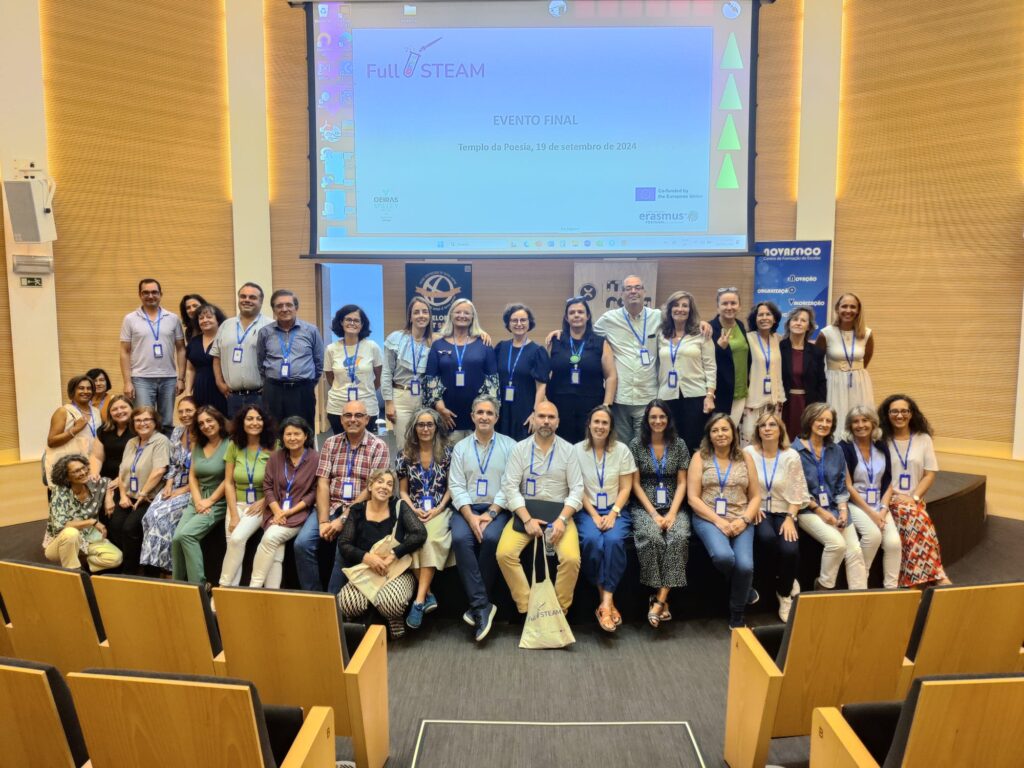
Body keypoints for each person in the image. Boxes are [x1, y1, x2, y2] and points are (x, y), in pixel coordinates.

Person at [496, 401, 584, 616]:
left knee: (571, 559)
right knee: (504, 554)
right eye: (542, 416)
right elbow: (510, 487)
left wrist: (562, 520)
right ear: (533, 419)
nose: (546, 421)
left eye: (551, 417)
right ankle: (530, 609)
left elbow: (577, 490)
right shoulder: (519, 449)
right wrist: (527, 520)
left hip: (560, 516)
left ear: (558, 422)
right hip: (526, 514)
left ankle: (558, 611)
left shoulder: (569, 450)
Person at [298, 398, 390, 593]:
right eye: (348, 415)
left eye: (358, 415)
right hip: (330, 505)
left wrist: (343, 519)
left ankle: (333, 603)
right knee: (302, 543)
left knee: (343, 547)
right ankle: (313, 595)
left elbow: (372, 488)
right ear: (341, 420)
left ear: (367, 419)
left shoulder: (378, 446)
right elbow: (323, 482)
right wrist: (324, 521)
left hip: (359, 510)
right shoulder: (330, 443)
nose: (353, 419)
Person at [448, 395, 516, 641]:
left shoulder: (510, 446)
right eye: (480, 412)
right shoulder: (461, 447)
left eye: (489, 413)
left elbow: (510, 484)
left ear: (496, 417)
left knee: (491, 539)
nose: (484, 417)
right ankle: (482, 605)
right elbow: (456, 485)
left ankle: (477, 606)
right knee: (459, 539)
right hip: (466, 508)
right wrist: (470, 516)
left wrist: (491, 513)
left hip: (497, 508)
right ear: (472, 416)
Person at [687, 414, 761, 629]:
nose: (720, 434)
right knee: (724, 557)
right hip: (708, 519)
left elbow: (756, 496)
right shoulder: (700, 457)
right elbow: (693, 498)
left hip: (741, 518)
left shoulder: (745, 457)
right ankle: (745, 588)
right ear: (709, 435)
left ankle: (737, 614)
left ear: (733, 433)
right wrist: (718, 521)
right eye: (715, 430)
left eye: (725, 429)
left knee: (745, 566)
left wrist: (744, 519)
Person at [337, 468, 427, 639]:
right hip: (367, 569)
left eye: (389, 484)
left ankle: (394, 619)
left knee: (391, 602)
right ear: (370, 486)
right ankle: (358, 627)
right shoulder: (356, 510)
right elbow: (344, 543)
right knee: (346, 602)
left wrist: (394, 554)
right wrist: (368, 558)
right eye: (380, 482)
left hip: (396, 571)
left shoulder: (399, 506)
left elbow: (420, 533)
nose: (384, 486)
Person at [792, 402, 868, 591]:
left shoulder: (836, 450)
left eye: (828, 421)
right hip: (807, 509)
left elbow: (841, 483)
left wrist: (843, 510)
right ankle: (823, 587)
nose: (824, 424)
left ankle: (860, 597)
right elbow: (796, 490)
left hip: (835, 507)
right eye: (820, 419)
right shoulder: (794, 451)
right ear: (809, 420)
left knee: (855, 551)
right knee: (837, 544)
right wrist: (820, 511)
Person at [630, 399, 691, 629]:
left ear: (668, 419)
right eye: (653, 417)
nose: (657, 421)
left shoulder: (679, 444)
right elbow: (635, 484)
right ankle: (659, 596)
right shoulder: (636, 444)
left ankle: (659, 599)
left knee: (679, 537)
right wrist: (654, 514)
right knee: (652, 537)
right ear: (646, 420)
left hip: (674, 505)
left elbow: (682, 482)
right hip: (645, 506)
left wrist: (672, 513)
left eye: (662, 417)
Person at [575, 405, 636, 633]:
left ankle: (606, 602)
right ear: (589, 424)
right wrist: (593, 514)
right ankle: (607, 603)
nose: (600, 426)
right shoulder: (576, 451)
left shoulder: (622, 450)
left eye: (605, 423)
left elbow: (626, 487)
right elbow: (577, 488)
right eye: (596, 422)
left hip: (615, 510)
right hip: (587, 510)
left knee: (613, 541)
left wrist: (613, 513)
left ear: (611, 427)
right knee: (592, 541)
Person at [879, 393, 950, 587]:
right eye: (894, 411)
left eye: (904, 411)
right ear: (887, 414)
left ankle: (914, 580)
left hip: (914, 500)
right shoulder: (881, 440)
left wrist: (915, 497)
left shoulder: (923, 439)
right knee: (916, 519)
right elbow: (877, 474)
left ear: (911, 414)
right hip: (889, 497)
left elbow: (929, 474)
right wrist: (897, 496)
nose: (899, 415)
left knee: (916, 519)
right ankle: (937, 576)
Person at [744, 411, 808, 622]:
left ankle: (784, 591)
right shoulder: (748, 453)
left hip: (784, 510)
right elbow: (742, 483)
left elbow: (798, 491)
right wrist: (752, 504)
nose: (767, 428)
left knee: (790, 549)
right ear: (758, 430)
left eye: (772, 425)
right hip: (759, 508)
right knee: (766, 538)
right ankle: (784, 581)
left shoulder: (791, 456)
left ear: (780, 430)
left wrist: (790, 517)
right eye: (763, 425)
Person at [397, 407, 453, 629]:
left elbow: (451, 489)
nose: (425, 429)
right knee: (407, 540)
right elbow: (403, 491)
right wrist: (413, 509)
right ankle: (428, 594)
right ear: (414, 428)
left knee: (428, 541)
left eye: (430, 424)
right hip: (413, 509)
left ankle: (419, 601)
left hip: (440, 508)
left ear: (436, 427)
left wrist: (438, 509)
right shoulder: (404, 455)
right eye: (421, 424)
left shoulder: (447, 453)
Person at [592, 275, 661, 443]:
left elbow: (682, 325)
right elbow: (586, 335)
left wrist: (702, 324)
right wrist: (562, 332)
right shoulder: (609, 319)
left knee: (645, 446)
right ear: (622, 293)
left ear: (644, 292)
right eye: (628, 288)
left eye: (637, 287)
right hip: (620, 397)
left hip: (648, 395)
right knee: (621, 446)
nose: (633, 291)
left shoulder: (658, 317)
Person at [254, 416, 319, 589]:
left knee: (270, 538)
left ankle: (254, 586)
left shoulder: (315, 459)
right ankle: (272, 592)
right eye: (288, 434)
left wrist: (288, 512)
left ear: (306, 436)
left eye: (297, 434)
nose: (292, 438)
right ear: (282, 437)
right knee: (276, 550)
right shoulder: (276, 457)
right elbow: (267, 486)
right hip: (275, 512)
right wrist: (277, 511)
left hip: (299, 514)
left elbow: (313, 493)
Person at [840, 405, 901, 589]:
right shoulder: (844, 448)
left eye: (865, 420)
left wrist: (883, 509)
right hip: (856, 503)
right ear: (849, 426)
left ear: (873, 423)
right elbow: (848, 486)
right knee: (872, 536)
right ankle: (860, 583)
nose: (861, 425)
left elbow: (888, 482)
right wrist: (872, 514)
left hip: (879, 505)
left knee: (894, 543)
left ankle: (891, 589)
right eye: (855, 422)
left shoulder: (881, 445)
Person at [424, 298, 498, 443]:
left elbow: (493, 382)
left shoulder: (484, 344)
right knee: (447, 455)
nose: (462, 315)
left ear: (472, 317)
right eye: (458, 312)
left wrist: (485, 413)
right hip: (447, 416)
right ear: (451, 315)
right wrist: (440, 409)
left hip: (478, 418)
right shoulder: (438, 345)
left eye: (466, 313)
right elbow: (431, 380)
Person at [545, 297, 616, 445]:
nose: (576, 315)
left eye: (580, 312)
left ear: (588, 316)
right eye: (572, 312)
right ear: (566, 318)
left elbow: (611, 376)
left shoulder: (601, 343)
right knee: (562, 447)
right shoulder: (555, 341)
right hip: (559, 405)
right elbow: (545, 375)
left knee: (588, 447)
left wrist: (606, 406)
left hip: (591, 406)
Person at [219, 405, 276, 587]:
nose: (254, 423)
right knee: (233, 545)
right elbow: (229, 482)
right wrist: (233, 514)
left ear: (264, 422)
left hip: (259, 505)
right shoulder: (234, 445)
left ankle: (223, 588)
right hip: (236, 504)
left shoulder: (273, 446)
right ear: (242, 422)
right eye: (249, 419)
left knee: (237, 539)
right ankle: (232, 593)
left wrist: (265, 501)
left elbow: (280, 482)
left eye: (259, 419)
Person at [171, 406, 229, 584]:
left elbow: (229, 480)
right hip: (197, 498)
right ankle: (178, 585)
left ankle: (199, 585)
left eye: (209, 421)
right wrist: (197, 501)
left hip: (218, 499)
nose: (206, 425)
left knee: (187, 535)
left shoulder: (230, 443)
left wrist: (209, 501)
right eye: (201, 423)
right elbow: (192, 476)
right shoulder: (197, 444)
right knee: (176, 539)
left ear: (219, 421)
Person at [139, 397, 197, 574]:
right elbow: (172, 463)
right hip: (174, 484)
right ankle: (153, 567)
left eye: (189, 410)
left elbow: (204, 471)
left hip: (193, 489)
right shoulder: (178, 431)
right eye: (181, 411)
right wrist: (169, 484)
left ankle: (170, 568)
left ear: (198, 411)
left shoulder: (204, 434)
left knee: (161, 517)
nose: (184, 415)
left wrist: (182, 490)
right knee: (148, 516)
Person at [110, 405, 171, 574]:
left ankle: (131, 571)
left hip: (149, 498)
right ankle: (128, 563)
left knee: (130, 528)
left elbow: (159, 470)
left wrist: (143, 493)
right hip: (129, 495)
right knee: (115, 525)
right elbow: (122, 470)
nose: (142, 423)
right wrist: (123, 495)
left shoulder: (161, 441)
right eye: (137, 420)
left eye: (146, 419)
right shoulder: (132, 442)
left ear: (155, 422)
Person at [119, 278, 186, 431]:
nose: (150, 296)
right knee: (144, 421)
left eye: (154, 292)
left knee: (166, 422)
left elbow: (181, 349)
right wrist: (127, 382)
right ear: (140, 295)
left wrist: (181, 379)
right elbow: (124, 351)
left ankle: (165, 447)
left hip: (168, 378)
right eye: (146, 293)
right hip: (141, 378)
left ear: (161, 294)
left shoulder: (173, 318)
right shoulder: (130, 319)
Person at [658, 290, 716, 454]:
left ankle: (693, 471)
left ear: (690, 310)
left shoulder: (701, 333)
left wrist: (710, 396)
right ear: (670, 309)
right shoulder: (661, 334)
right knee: (670, 442)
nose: (680, 309)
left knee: (693, 442)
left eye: (685, 306)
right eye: (676, 305)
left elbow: (710, 366)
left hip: (695, 396)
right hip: (667, 396)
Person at [256, 289, 324, 428]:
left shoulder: (311, 331)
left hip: (302, 390)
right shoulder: (265, 332)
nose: (284, 309)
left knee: (303, 430)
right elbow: (260, 361)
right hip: (273, 390)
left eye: (288, 305)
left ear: (296, 307)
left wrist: (308, 383)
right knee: (272, 431)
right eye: (279, 306)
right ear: (274, 310)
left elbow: (319, 362)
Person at [43, 454, 122, 571]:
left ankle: (81, 561)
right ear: (66, 476)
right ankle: (74, 573)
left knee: (115, 558)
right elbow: (61, 525)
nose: (83, 472)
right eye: (76, 471)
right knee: (71, 533)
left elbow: (109, 482)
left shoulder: (93, 483)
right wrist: (92, 522)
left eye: (83, 468)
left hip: (88, 539)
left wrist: (108, 497)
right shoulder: (60, 491)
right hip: (60, 543)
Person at [816, 292, 874, 435]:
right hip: (834, 383)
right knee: (836, 418)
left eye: (853, 307)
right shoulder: (826, 333)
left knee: (859, 419)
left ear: (858, 310)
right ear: (837, 308)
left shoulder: (867, 334)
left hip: (859, 383)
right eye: (844, 306)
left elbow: (865, 361)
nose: (848, 310)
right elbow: (816, 363)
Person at [211, 282, 271, 418]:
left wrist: (269, 385)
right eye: (243, 296)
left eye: (252, 297)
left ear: (261, 301)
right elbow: (216, 356)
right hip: (232, 397)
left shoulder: (270, 326)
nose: (247, 300)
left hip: (260, 396)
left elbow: (276, 358)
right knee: (235, 431)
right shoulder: (226, 325)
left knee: (261, 430)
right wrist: (219, 382)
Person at [382, 296, 434, 445]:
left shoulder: (434, 341)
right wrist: (388, 403)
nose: (421, 315)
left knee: (425, 443)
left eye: (425, 312)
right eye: (416, 312)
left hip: (424, 398)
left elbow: (459, 335)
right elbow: (386, 373)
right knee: (403, 444)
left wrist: (481, 333)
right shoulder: (396, 338)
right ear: (410, 317)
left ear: (430, 316)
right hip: (400, 398)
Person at [325, 304, 383, 435]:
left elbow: (379, 378)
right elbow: (330, 378)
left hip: (366, 406)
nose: (352, 323)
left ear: (362, 324)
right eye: (348, 319)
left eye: (356, 320)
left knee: (366, 445)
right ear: (341, 322)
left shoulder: (372, 347)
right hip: (338, 407)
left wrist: (365, 391)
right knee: (340, 444)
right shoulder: (331, 349)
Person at [495, 303, 550, 441]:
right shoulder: (501, 347)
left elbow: (541, 386)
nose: (519, 324)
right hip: (502, 411)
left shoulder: (537, 351)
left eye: (523, 320)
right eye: (514, 320)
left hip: (525, 411)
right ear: (508, 324)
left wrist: (535, 412)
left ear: (529, 323)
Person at [742, 301, 786, 445]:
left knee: (771, 439)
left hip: (774, 400)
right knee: (750, 438)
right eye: (760, 315)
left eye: (768, 314)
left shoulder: (778, 339)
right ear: (755, 319)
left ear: (775, 319)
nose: (764, 318)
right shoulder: (748, 338)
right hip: (753, 400)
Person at [779, 308, 827, 441]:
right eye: (795, 319)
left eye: (803, 320)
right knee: (784, 440)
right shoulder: (779, 348)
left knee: (805, 440)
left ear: (809, 327)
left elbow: (821, 382)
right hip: (784, 404)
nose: (798, 323)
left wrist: (820, 408)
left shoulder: (816, 352)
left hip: (808, 405)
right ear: (789, 323)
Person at [45, 375, 101, 485]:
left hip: (90, 465)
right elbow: (51, 441)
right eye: (81, 388)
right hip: (69, 468)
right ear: (72, 391)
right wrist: (75, 429)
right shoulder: (63, 411)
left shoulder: (96, 411)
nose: (86, 391)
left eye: (89, 388)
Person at [709, 287, 749, 429]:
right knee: (720, 433)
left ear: (739, 306)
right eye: (725, 303)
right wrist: (719, 348)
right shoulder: (710, 328)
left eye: (733, 303)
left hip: (740, 392)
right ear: (718, 307)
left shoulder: (740, 325)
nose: (729, 307)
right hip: (721, 394)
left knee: (732, 433)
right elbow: (705, 363)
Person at [184, 303, 228, 414]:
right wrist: (188, 392)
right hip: (199, 390)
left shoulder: (226, 340)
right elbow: (190, 369)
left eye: (209, 317)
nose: (205, 320)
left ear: (218, 320)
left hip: (221, 390)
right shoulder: (193, 342)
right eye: (201, 318)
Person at [89, 394, 134, 482]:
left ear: (132, 408)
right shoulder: (103, 430)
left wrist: (120, 480)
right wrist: (94, 474)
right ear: (110, 413)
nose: (119, 411)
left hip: (130, 479)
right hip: (106, 479)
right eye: (114, 409)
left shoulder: (139, 430)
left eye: (123, 407)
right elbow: (97, 457)